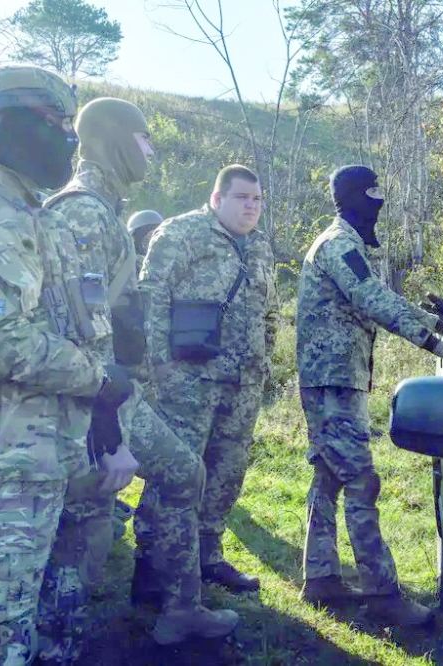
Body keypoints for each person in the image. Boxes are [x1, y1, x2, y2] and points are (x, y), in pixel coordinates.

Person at [0, 64, 133, 666]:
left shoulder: (35, 218)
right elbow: (1, 344)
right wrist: (99, 378)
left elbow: (76, 325)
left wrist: (105, 412)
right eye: (55, 122)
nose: (69, 137)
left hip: (41, 457)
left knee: (53, 617)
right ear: (5, 123)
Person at [41, 100, 237, 653]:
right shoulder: (82, 212)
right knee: (85, 525)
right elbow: (78, 332)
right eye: (145, 138)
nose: (152, 149)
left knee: (178, 475)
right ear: (117, 140)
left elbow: (112, 318)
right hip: (88, 398)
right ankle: (61, 646)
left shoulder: (104, 208)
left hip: (112, 389)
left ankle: (174, 607)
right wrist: (111, 435)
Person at [295, 164, 443, 627]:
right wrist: (436, 341)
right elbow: (373, 298)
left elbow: (377, 297)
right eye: (371, 193)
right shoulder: (338, 244)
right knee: (362, 481)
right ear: (349, 197)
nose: (379, 202)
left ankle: (322, 578)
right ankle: (382, 592)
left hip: (336, 376)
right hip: (332, 380)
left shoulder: (342, 242)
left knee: (329, 476)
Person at [139, 164, 277, 595]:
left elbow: (269, 308)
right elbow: (151, 298)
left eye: (257, 200)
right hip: (188, 383)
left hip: (242, 384)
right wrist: (159, 366)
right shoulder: (181, 234)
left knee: (226, 473)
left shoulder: (258, 247)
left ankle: (207, 557)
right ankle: (150, 568)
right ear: (217, 199)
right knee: (177, 475)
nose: (251, 207)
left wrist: (265, 360)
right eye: (242, 198)